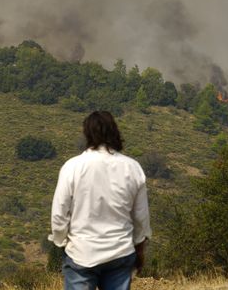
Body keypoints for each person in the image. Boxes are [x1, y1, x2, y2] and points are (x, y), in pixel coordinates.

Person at [49, 111, 151, 290]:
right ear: (114, 131)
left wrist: (61, 241)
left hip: (82, 252)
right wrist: (138, 247)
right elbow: (141, 218)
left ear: (87, 133)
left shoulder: (72, 167)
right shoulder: (133, 168)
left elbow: (59, 214)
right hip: (120, 251)